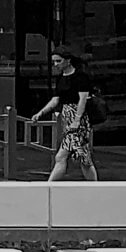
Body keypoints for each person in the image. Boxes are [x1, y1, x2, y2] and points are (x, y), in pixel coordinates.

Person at [31, 52, 101, 183]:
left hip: (78, 119)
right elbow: (56, 99)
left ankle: (49, 186)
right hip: (68, 118)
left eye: (58, 61)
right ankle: (94, 186)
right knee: (82, 159)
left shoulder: (80, 77)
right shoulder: (61, 78)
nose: (56, 64)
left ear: (68, 60)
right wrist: (41, 113)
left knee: (66, 157)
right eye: (54, 61)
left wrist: (77, 120)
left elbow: (83, 99)